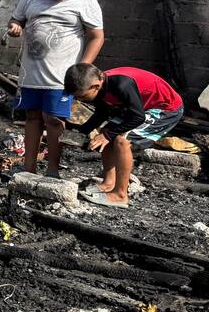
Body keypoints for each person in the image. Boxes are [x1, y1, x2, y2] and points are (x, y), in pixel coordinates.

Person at [7, 0, 105, 177]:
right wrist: (15, 27)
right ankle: (28, 168)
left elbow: (96, 37)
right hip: (31, 72)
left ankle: (53, 170)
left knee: (53, 120)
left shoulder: (86, 1)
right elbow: (16, 20)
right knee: (32, 117)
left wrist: (82, 69)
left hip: (61, 77)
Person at [64, 63, 184, 209]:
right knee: (105, 132)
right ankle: (109, 183)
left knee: (122, 140)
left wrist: (108, 135)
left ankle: (120, 195)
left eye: (81, 96)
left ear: (95, 86)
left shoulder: (121, 85)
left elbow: (138, 117)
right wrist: (79, 132)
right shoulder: (100, 85)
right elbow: (102, 113)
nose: (80, 100)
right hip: (139, 107)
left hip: (165, 108)